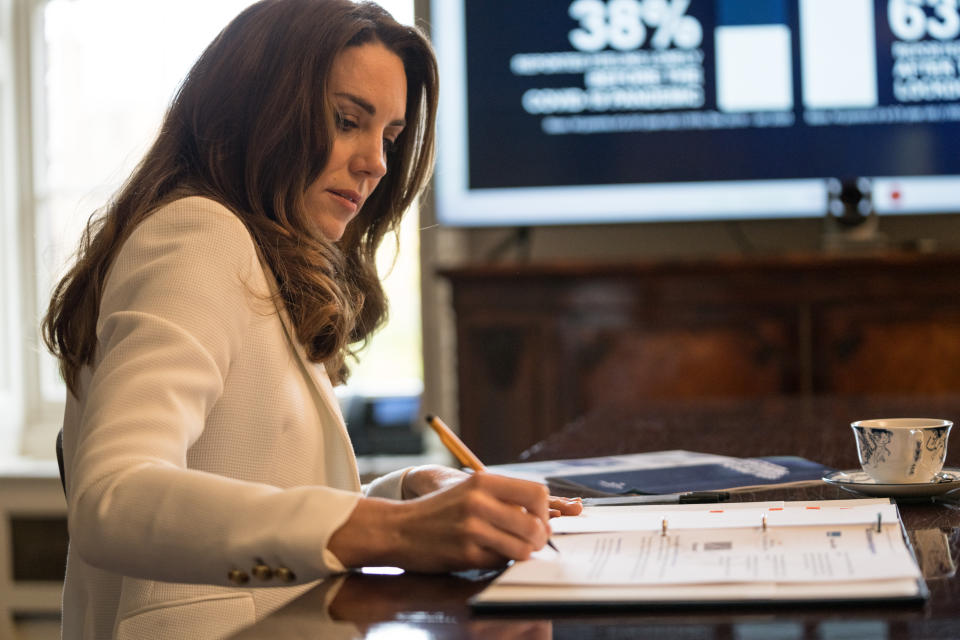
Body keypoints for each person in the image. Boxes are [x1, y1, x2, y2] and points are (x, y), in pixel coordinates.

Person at [41, 1, 581, 638]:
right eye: (347, 120)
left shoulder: (253, 254)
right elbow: (116, 500)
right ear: (256, 109)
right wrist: (397, 532)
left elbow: (250, 478)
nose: (377, 163)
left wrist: (407, 495)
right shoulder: (195, 235)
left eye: (389, 136)